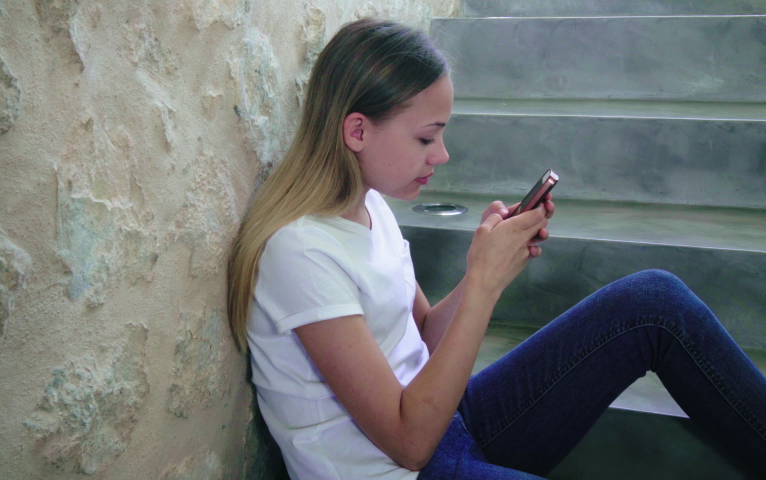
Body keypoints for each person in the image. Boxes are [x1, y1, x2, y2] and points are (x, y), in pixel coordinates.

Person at [227, 18, 766, 479]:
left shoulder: (373, 211)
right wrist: (484, 284)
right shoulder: (299, 253)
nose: (441, 155)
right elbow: (408, 442)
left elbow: (422, 341)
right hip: (405, 466)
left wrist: (482, 271)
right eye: (425, 137)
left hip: (448, 421)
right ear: (357, 131)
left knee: (655, 302)